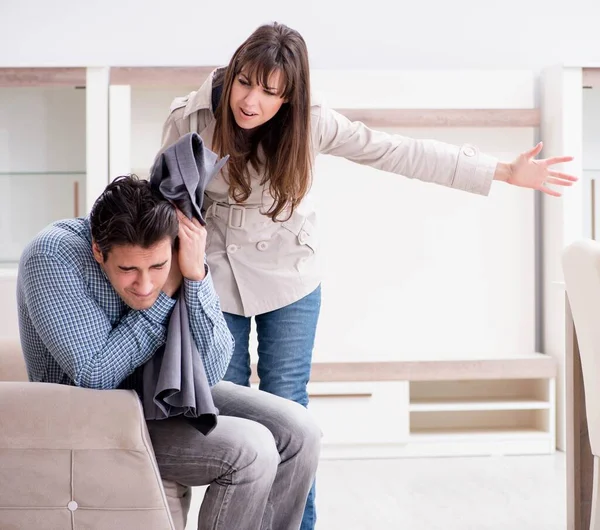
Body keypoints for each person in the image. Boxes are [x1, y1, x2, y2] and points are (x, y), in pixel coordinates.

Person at [158, 22, 578, 529]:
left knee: (290, 412)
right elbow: (159, 206)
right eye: (246, 83)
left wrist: (503, 172)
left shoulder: (311, 124)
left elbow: (394, 150)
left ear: (290, 96)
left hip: (291, 278)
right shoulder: (190, 119)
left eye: (271, 92)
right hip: (215, 279)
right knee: (229, 417)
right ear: (234, 72)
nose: (252, 101)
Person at [16, 175, 321, 530]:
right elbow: (94, 375)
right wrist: (166, 294)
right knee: (251, 450)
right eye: (128, 270)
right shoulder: (51, 255)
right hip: (97, 415)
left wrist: (195, 276)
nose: (144, 285)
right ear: (99, 251)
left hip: (162, 391)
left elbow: (209, 372)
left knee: (300, 430)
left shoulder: (176, 257)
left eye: (157, 267)